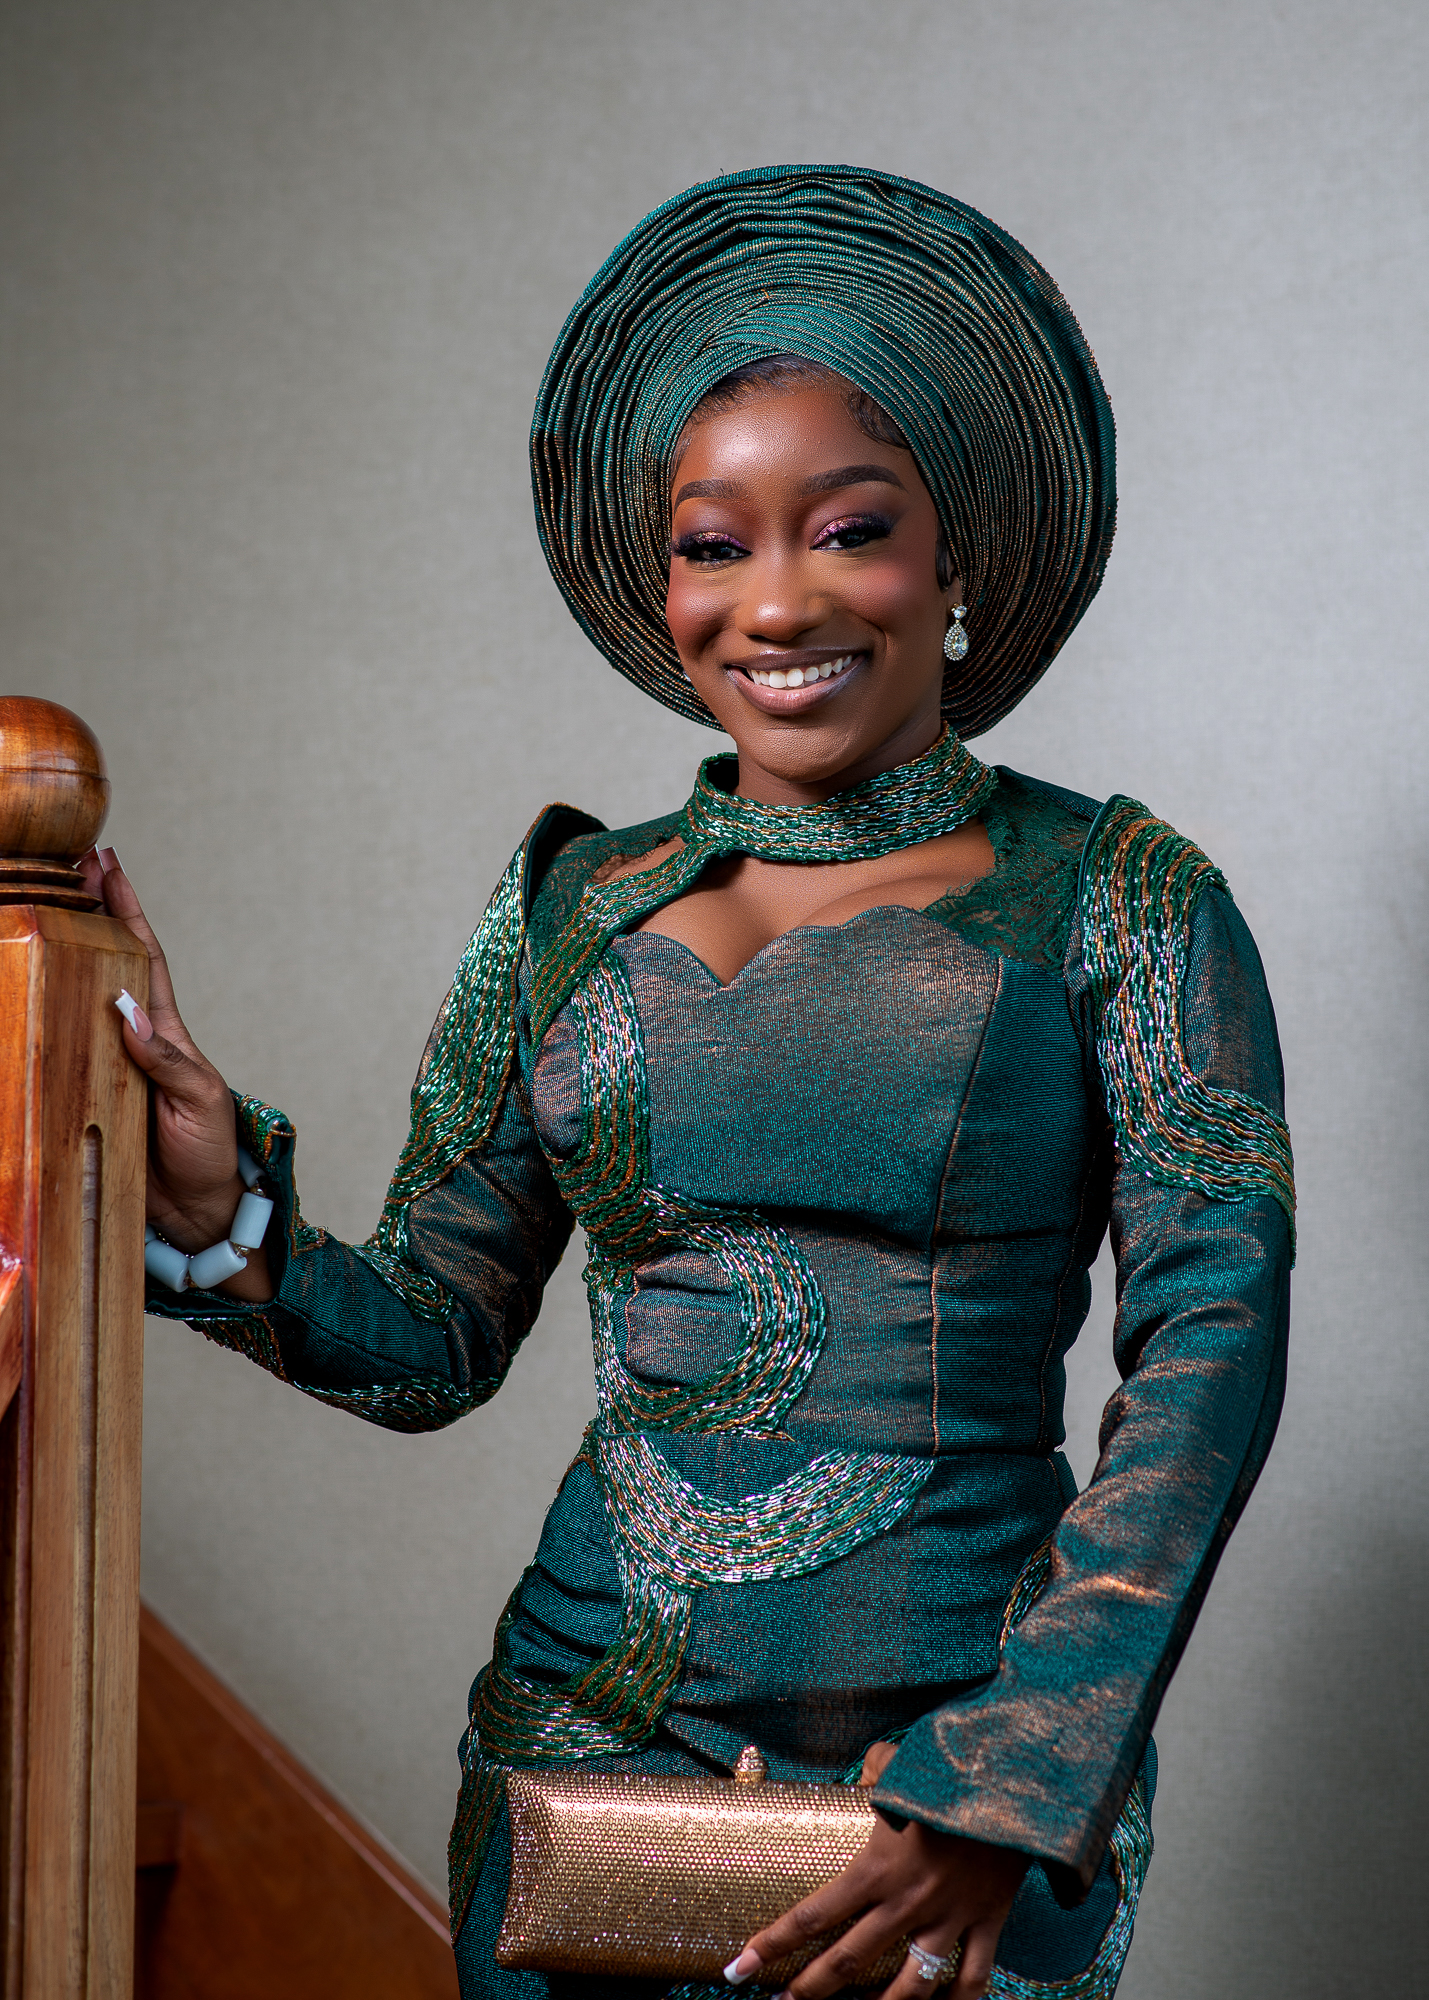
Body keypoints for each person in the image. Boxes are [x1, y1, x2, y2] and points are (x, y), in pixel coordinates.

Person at [85, 167, 1293, 2000]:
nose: (776, 599)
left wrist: (1019, 1767)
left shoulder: (1119, 896)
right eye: (712, 544)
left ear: (953, 563)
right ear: (661, 591)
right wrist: (222, 1225)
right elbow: (430, 1334)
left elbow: (1210, 1348)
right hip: (580, 1759)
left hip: (940, 1791)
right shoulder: (572, 902)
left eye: (850, 529)